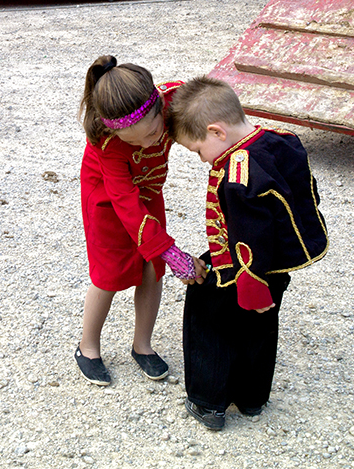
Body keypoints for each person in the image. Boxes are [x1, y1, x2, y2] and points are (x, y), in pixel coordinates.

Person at [167, 76, 328, 431]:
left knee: (210, 318)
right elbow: (306, 194)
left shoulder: (238, 173)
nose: (201, 159)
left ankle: (208, 402)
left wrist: (249, 283)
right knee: (260, 327)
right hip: (278, 264)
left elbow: (249, 235)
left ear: (217, 132)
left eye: (197, 150)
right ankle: (252, 397)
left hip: (246, 268)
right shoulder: (279, 141)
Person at [75, 56, 206, 387]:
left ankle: (142, 345)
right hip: (108, 199)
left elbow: (211, 108)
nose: (149, 143)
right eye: (136, 142)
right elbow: (125, 204)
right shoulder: (106, 144)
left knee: (152, 267)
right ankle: (87, 346)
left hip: (148, 189)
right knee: (109, 272)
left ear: (158, 108)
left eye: (153, 133)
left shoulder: (174, 100)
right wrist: (172, 251)